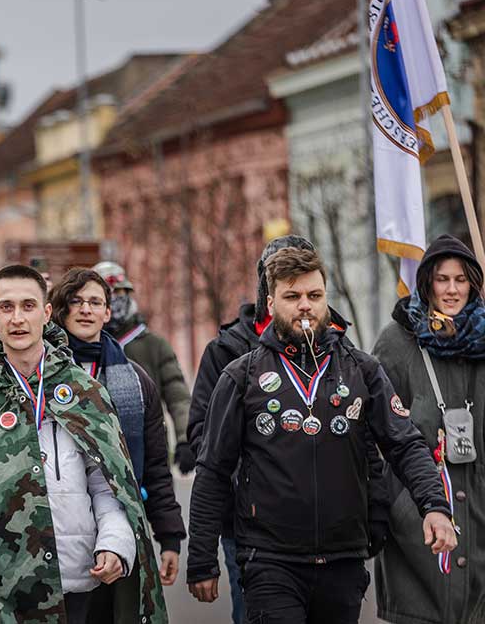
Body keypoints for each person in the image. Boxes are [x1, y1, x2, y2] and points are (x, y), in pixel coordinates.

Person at [186, 246, 457, 624]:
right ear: (271, 301)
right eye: (292, 296)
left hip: (342, 559)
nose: (304, 306)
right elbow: (212, 470)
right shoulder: (241, 376)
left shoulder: (362, 370)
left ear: (326, 299)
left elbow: (405, 443)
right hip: (269, 560)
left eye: (314, 296)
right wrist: (201, 559)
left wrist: (436, 507)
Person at [0, 265, 167, 624]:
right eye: (6, 307)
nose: (17, 318)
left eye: (28, 305)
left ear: (47, 313)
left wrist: (114, 542)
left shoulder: (83, 391)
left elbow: (108, 484)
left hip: (72, 577)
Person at [49, 268, 185, 624]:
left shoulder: (136, 381)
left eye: (95, 302)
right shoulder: (39, 375)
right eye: (76, 302)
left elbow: (156, 466)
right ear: (60, 310)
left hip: (120, 529)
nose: (86, 310)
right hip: (56, 534)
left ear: (107, 313)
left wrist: (168, 535)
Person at [372, 235, 485, 624]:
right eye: (442, 279)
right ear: (426, 283)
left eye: (461, 279)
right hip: (417, 533)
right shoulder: (395, 344)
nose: (452, 289)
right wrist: (399, 508)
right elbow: (376, 438)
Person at [93, 261, 193, 474]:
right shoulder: (81, 346)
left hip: (149, 449)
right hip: (98, 450)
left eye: (120, 291)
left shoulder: (154, 345)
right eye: (108, 293)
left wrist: (185, 439)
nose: (116, 298)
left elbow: (178, 396)